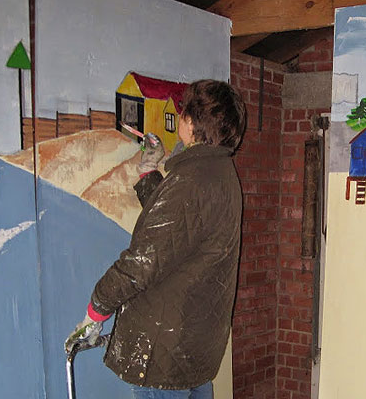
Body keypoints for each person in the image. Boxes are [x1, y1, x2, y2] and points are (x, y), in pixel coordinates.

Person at [65, 79, 247, 399]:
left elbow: (142, 262)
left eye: (183, 112)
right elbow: (181, 231)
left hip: (165, 352)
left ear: (192, 123)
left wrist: (96, 310)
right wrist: (150, 173)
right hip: (196, 344)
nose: (178, 117)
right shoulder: (221, 173)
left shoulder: (191, 180)